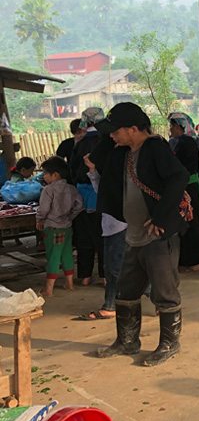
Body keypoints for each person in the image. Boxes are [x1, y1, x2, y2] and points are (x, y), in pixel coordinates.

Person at [95, 102, 189, 366]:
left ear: (133, 129)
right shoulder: (121, 151)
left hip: (157, 234)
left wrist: (160, 216)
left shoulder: (155, 148)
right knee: (125, 291)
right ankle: (127, 341)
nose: (112, 135)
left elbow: (179, 176)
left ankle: (170, 343)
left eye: (116, 130)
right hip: (133, 234)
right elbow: (97, 159)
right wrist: (109, 137)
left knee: (165, 292)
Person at [80, 143, 128, 321]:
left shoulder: (121, 173)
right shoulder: (109, 175)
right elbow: (101, 190)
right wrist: (92, 171)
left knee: (117, 267)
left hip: (121, 224)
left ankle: (158, 297)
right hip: (110, 225)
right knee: (111, 267)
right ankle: (110, 305)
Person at [36, 157, 83, 297]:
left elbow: (43, 209)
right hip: (67, 226)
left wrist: (40, 219)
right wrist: (70, 216)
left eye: (45, 173)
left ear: (54, 174)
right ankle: (70, 284)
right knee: (67, 254)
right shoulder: (71, 188)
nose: (43, 176)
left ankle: (48, 289)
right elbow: (79, 205)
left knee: (53, 257)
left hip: (52, 228)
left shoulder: (48, 190)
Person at [70, 107, 105, 287]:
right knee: (105, 236)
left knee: (84, 236)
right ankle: (106, 277)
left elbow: (73, 170)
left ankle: (84, 276)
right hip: (103, 196)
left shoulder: (79, 144)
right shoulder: (107, 141)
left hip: (81, 197)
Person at [168, 113, 199, 272]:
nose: (171, 130)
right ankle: (188, 259)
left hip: (187, 186)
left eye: (172, 126)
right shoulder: (184, 141)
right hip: (187, 184)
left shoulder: (185, 143)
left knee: (190, 223)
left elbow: (181, 165)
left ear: (179, 127)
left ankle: (193, 260)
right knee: (189, 222)